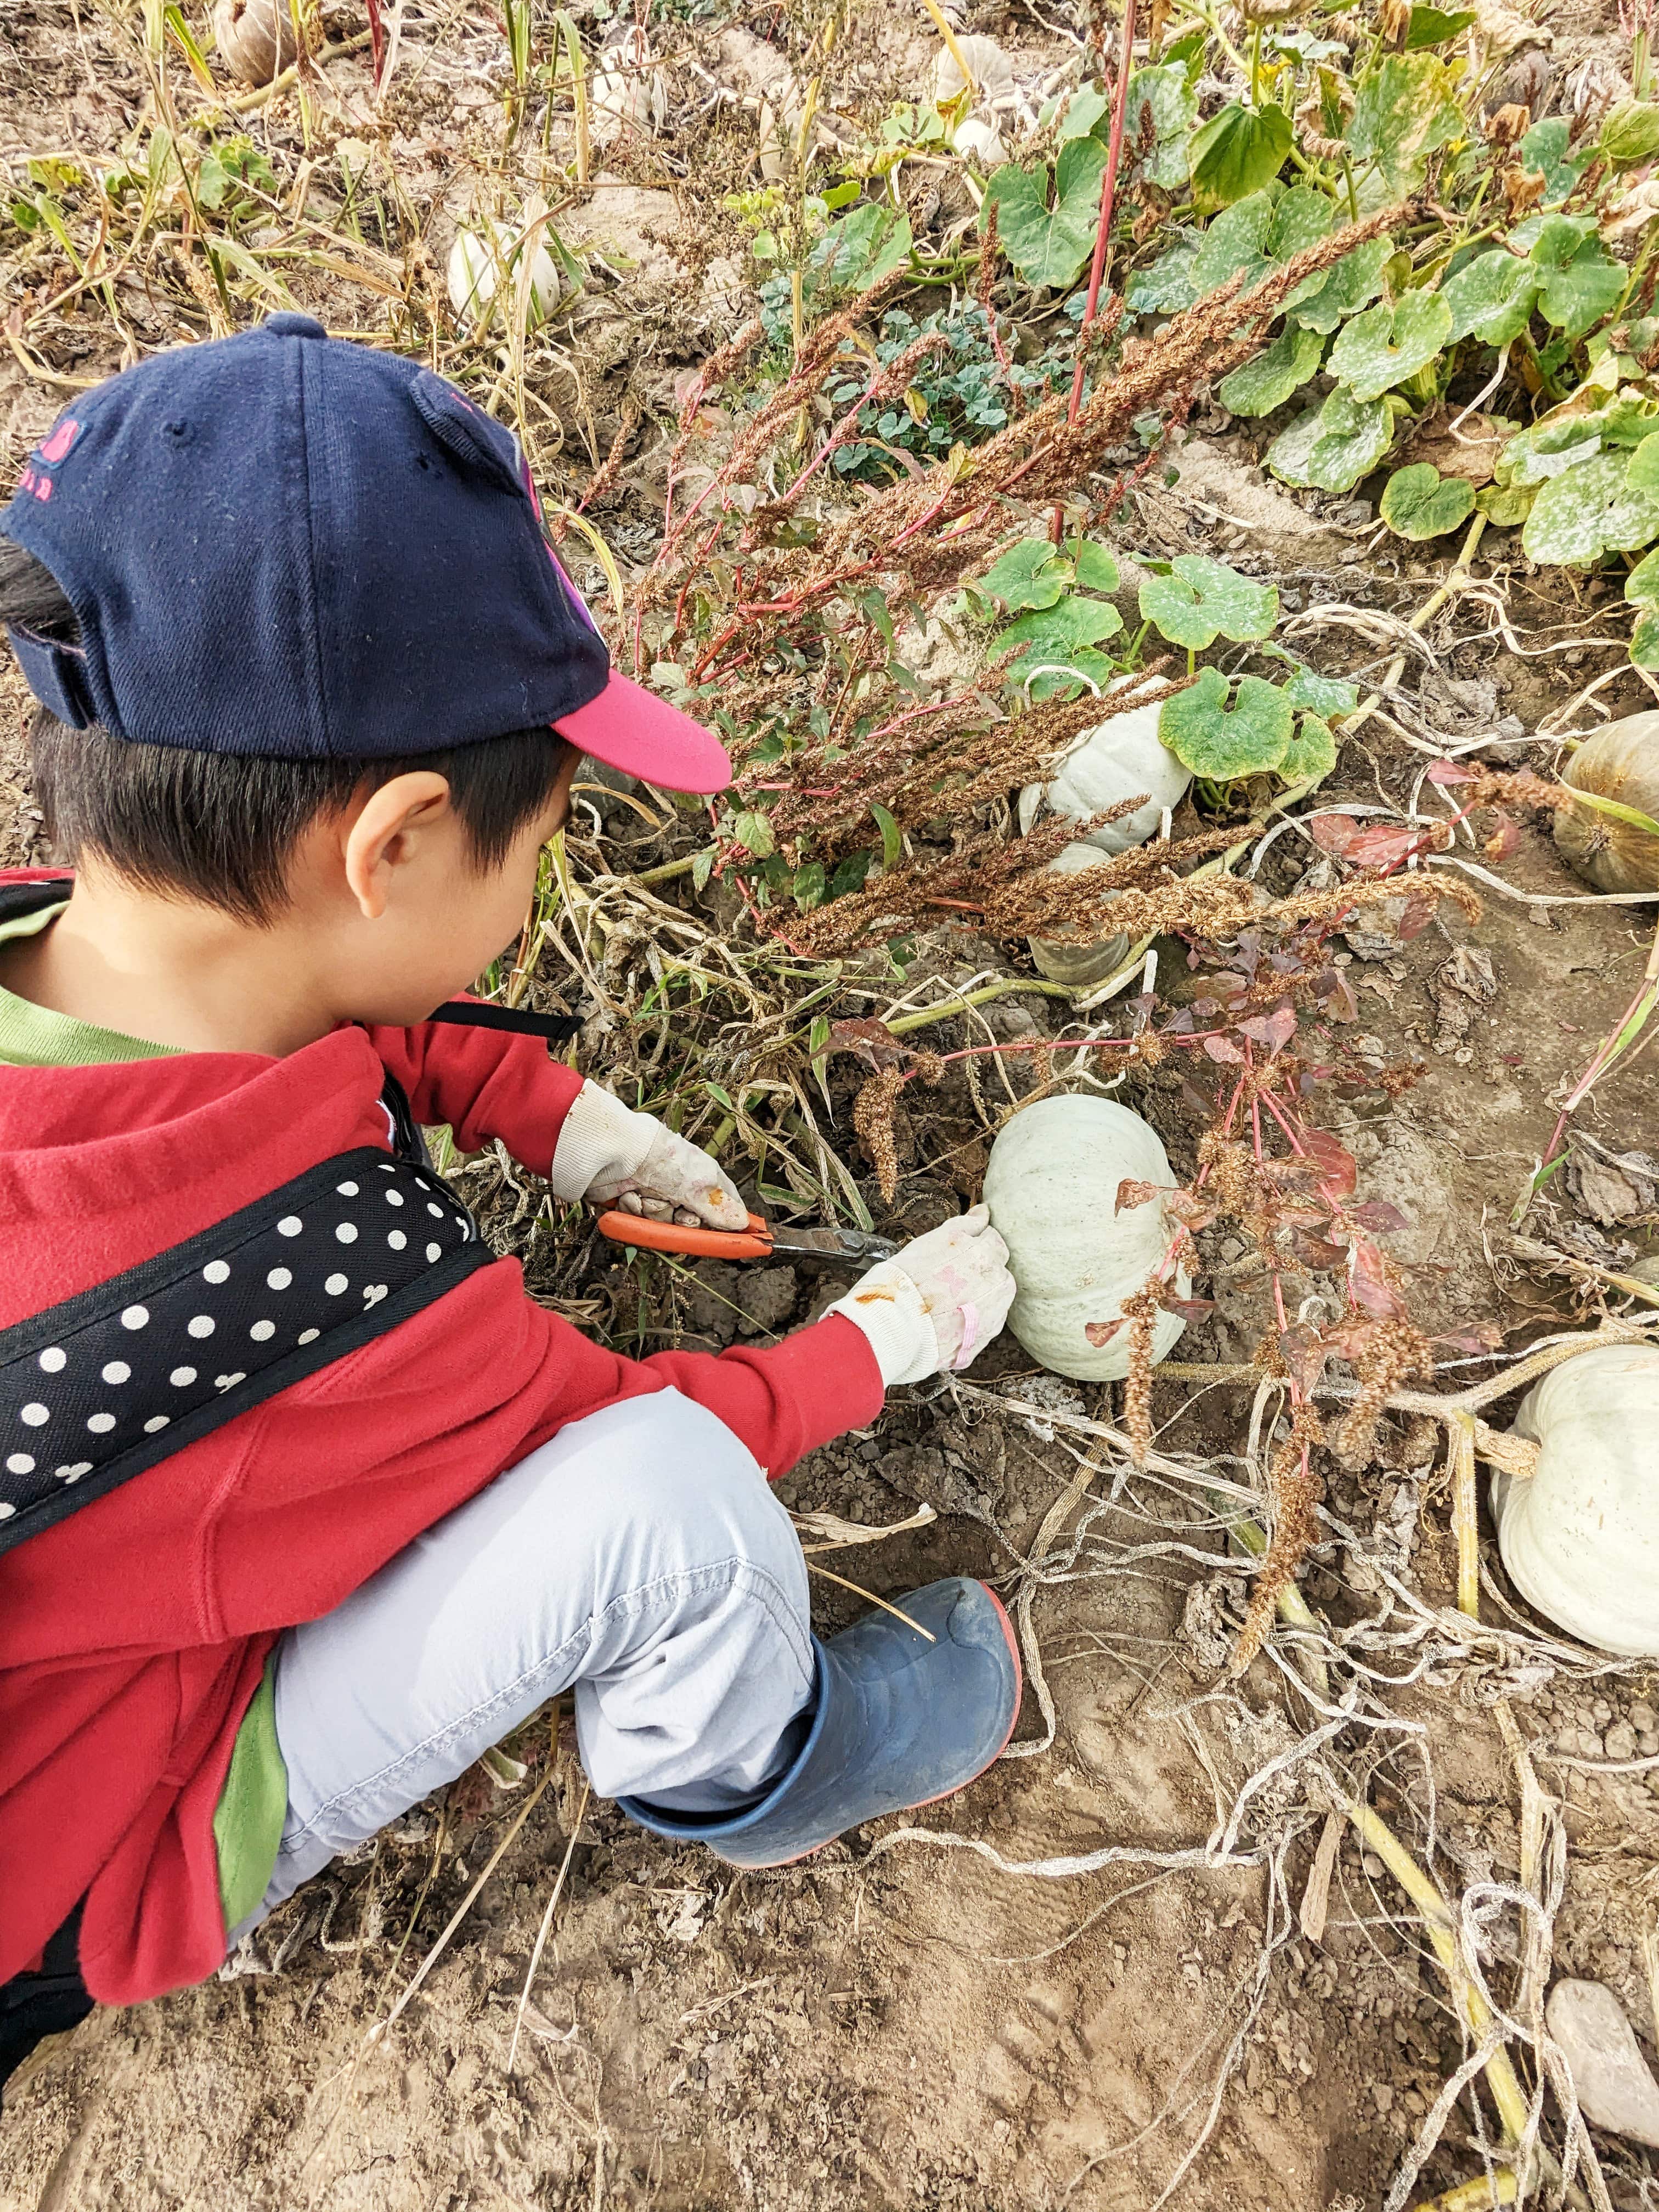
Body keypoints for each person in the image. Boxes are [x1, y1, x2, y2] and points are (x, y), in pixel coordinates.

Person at [0, 314, 1020, 2090]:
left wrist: (561, 1117)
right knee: (673, 1510)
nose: (542, 876)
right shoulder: (317, 1299)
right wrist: (879, 1345)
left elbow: (314, 1023)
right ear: (389, 849)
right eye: (543, 839)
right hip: (82, 1869)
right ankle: (756, 1769)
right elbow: (632, 1419)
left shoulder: (64, 935)